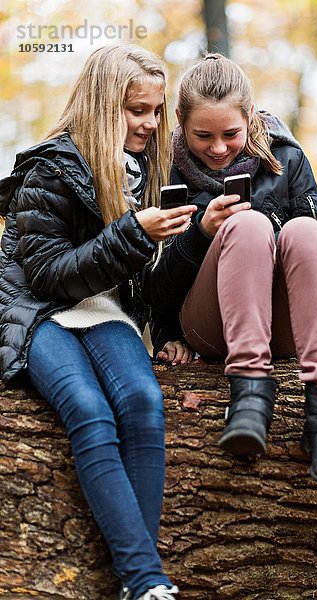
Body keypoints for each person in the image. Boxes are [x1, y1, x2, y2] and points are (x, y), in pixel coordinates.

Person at [0, 44, 197, 600]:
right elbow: (46, 275)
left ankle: (144, 586)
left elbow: (149, 285)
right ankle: (146, 580)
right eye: (138, 110)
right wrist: (135, 234)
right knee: (87, 407)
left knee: (142, 401)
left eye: (157, 111)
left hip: (105, 313)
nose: (151, 124)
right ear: (103, 104)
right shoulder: (51, 167)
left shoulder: (149, 171)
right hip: (37, 312)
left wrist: (192, 236)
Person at [142, 53, 317, 488]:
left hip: (280, 323)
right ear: (180, 120)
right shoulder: (158, 168)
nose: (218, 148)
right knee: (247, 222)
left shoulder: (285, 157)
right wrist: (202, 233)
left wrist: (275, 239)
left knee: (305, 230)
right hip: (210, 325)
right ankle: (249, 394)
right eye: (203, 134)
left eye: (231, 134)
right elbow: (151, 283)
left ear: (251, 118)